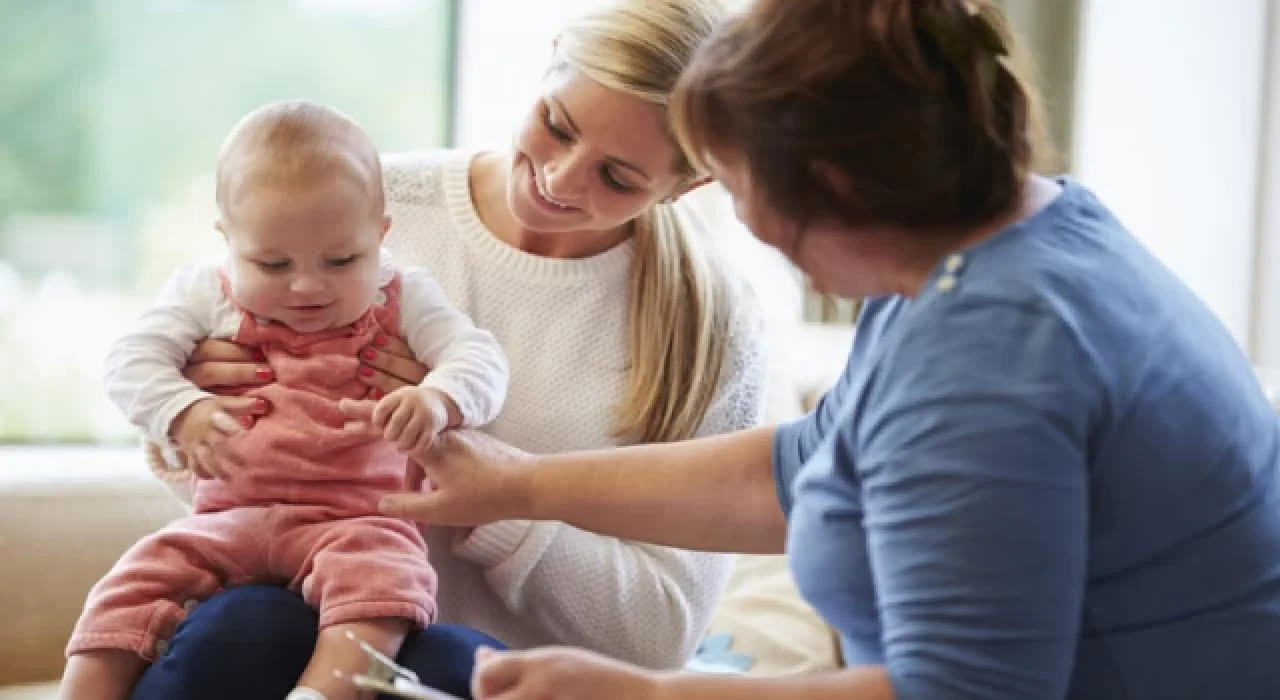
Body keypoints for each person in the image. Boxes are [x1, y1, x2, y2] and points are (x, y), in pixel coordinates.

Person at [379, 1, 1280, 699]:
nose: (738, 218)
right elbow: (807, 466)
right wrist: (519, 486)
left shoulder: (992, 363)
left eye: (735, 184)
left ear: (834, 186)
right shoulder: (997, 241)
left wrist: (651, 695)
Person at [126, 1, 768, 698]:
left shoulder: (710, 325)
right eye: (557, 125)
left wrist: (500, 500)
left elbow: (660, 635)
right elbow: (217, 488)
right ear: (551, 57)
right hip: (281, 624)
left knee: (457, 667)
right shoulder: (361, 203)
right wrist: (196, 419)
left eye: (617, 177)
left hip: (489, 676)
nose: (558, 179)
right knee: (245, 627)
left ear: (689, 184)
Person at [63, 101, 509, 700]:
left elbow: (480, 359)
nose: (307, 285)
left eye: (341, 260)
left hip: (355, 520)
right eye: (272, 264)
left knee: (385, 585)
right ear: (228, 243)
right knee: (132, 585)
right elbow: (129, 360)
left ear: (380, 236)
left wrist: (439, 397)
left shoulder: (404, 296)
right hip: (226, 517)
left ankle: (323, 690)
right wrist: (182, 409)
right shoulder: (205, 291)